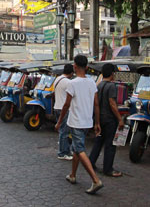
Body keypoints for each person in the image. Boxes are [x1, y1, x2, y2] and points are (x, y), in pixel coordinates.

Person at [55, 55, 103, 195]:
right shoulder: (92, 83)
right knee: (76, 148)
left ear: (75, 66)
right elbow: (96, 104)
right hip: (87, 121)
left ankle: (95, 180)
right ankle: (73, 175)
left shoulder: (72, 83)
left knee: (80, 149)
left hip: (76, 121)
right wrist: (97, 123)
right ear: (86, 67)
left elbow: (66, 104)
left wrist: (59, 122)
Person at [89, 63, 124, 177]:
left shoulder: (98, 85)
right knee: (110, 144)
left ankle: (91, 162)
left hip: (100, 117)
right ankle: (108, 168)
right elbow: (112, 104)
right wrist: (120, 119)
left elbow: (96, 104)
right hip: (109, 119)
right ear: (112, 73)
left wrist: (97, 121)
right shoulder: (111, 86)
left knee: (99, 141)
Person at [53, 64, 74, 160]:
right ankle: (62, 153)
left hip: (57, 107)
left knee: (62, 131)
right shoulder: (68, 82)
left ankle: (65, 150)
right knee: (64, 132)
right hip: (64, 108)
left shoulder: (57, 79)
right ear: (71, 72)